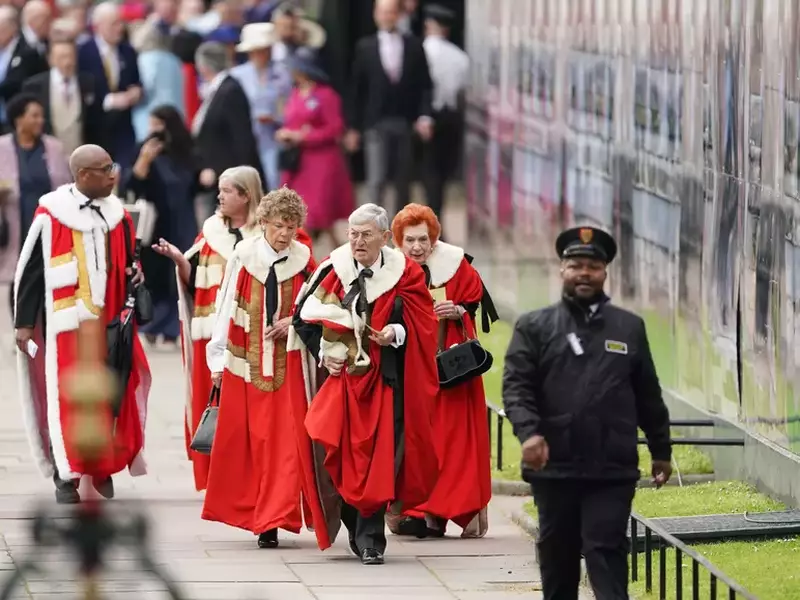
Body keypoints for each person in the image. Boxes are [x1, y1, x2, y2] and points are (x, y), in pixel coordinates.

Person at [502, 226, 673, 600]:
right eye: (576, 265)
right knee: (558, 554)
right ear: (562, 269)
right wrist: (529, 433)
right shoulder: (535, 327)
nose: (584, 273)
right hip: (554, 466)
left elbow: (648, 393)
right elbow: (516, 388)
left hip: (611, 468)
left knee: (605, 549)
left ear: (604, 272)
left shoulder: (629, 327)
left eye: (592, 266)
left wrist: (661, 450)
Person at [293, 202, 439, 565]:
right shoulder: (332, 270)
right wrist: (323, 353)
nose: (358, 241)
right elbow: (301, 318)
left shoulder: (406, 274)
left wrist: (397, 332)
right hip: (342, 383)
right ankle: (353, 520)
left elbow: (423, 325)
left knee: (379, 460)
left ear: (385, 238)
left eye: (366, 235)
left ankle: (371, 539)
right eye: (353, 234)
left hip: (387, 382)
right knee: (335, 455)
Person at [13, 144, 151, 504]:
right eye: (105, 169)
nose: (112, 174)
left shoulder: (119, 215)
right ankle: (66, 473)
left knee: (109, 395)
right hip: (67, 326)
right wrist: (24, 323)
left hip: (110, 324)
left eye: (112, 166)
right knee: (69, 398)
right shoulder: (51, 214)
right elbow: (31, 271)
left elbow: (127, 264)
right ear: (82, 175)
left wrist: (135, 276)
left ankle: (101, 466)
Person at [201, 187, 334, 551]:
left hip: (291, 365)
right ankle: (261, 516)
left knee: (289, 445)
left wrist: (293, 321)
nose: (286, 234)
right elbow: (226, 307)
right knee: (255, 444)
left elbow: (318, 308)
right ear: (263, 224)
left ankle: (275, 519)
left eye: (292, 227)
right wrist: (216, 361)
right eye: (279, 226)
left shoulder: (305, 261)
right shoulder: (243, 258)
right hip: (246, 365)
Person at [387, 203, 497, 538]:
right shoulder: (389, 268)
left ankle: (442, 511)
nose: (417, 247)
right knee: (413, 444)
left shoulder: (457, 267)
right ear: (399, 242)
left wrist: (459, 311)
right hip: (407, 371)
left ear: (433, 240)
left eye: (423, 239)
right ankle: (414, 512)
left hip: (448, 373)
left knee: (449, 444)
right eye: (410, 240)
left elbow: (475, 307)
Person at [151, 165, 261, 491]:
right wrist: (179, 261)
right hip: (210, 335)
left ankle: (250, 471)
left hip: (249, 335)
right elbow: (194, 281)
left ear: (246, 196)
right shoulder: (211, 232)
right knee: (212, 405)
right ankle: (218, 476)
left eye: (227, 191)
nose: (220, 196)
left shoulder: (266, 235)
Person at [122, 104, 212, 347]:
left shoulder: (186, 151)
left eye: (158, 125)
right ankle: (152, 325)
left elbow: (197, 181)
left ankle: (175, 327)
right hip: (156, 221)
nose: (154, 131)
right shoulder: (145, 150)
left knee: (181, 271)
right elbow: (132, 184)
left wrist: (205, 177)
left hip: (182, 219)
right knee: (156, 274)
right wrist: (145, 159)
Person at [343, 0, 433, 211]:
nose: (387, 17)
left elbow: (425, 85)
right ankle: (374, 228)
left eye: (392, 12)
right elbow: (356, 90)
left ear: (399, 15)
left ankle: (400, 229)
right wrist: (353, 127)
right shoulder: (365, 47)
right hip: (375, 121)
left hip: (405, 120)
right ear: (376, 15)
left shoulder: (413, 45)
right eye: (383, 12)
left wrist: (424, 116)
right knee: (376, 179)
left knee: (403, 181)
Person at [0, 94, 72, 321]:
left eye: (41, 116)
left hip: (50, 221)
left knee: (48, 274)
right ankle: (21, 325)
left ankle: (45, 327)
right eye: (34, 116)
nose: (40, 120)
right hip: (15, 221)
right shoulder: (3, 147)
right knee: (19, 275)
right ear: (19, 119)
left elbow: (68, 183)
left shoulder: (53, 147)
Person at [277, 53, 353, 247]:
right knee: (302, 214)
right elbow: (292, 121)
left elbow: (335, 128)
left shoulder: (326, 95)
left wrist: (305, 136)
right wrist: (287, 133)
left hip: (322, 162)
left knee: (318, 213)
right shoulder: (295, 94)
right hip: (299, 163)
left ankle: (328, 258)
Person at [192, 41, 263, 219]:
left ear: (203, 66)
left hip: (228, 179)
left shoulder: (231, 90)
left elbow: (241, 139)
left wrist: (219, 170)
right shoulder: (219, 88)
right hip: (216, 177)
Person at [77, 2, 143, 169]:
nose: (120, 28)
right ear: (98, 26)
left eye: (121, 22)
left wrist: (136, 92)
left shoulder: (128, 51)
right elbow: (80, 90)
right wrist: (109, 100)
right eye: (114, 23)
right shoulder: (83, 52)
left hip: (123, 130)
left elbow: (136, 82)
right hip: (95, 129)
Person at [420, 5, 469, 222]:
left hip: (426, 115)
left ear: (429, 25)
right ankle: (437, 215)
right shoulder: (459, 56)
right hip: (450, 116)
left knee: (428, 171)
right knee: (443, 173)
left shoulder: (422, 50)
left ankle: (430, 215)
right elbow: (462, 90)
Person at [229, 22, 292, 190]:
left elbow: (289, 106)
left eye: (265, 49)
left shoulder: (282, 74)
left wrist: (276, 118)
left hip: (272, 138)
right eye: (257, 50)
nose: (262, 54)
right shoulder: (237, 75)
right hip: (245, 136)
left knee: (273, 181)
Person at [21, 37, 103, 155]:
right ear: (50, 60)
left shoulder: (88, 83)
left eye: (70, 56)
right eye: (62, 57)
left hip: (81, 157)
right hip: (47, 157)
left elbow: (98, 123)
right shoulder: (34, 86)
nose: (67, 62)